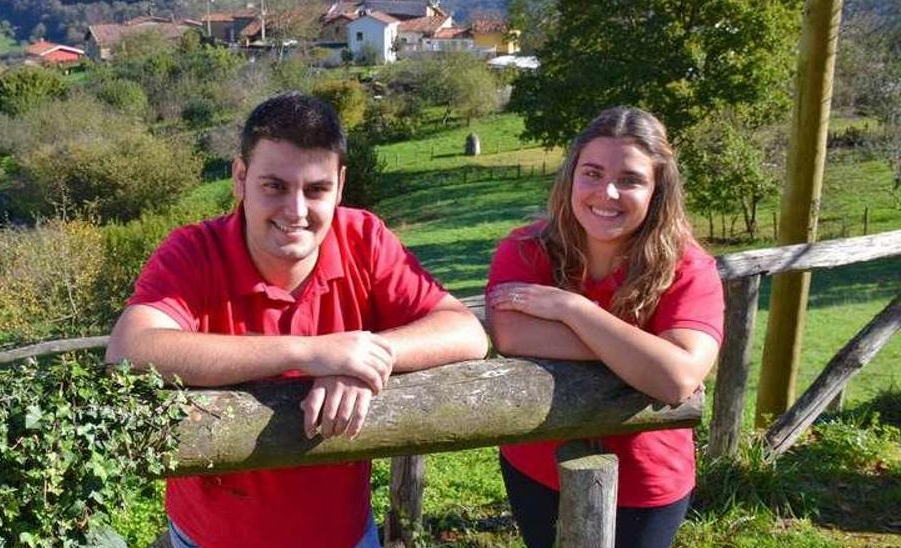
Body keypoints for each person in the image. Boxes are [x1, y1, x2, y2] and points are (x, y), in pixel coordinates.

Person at [106, 92, 488, 548]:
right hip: (210, 538)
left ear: (340, 186)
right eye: (275, 186)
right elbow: (130, 349)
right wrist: (311, 353)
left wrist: (362, 358)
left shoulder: (363, 237)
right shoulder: (194, 250)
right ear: (240, 178)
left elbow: (466, 330)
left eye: (316, 189)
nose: (297, 211)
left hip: (343, 536)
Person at [484, 107, 723, 548]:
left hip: (645, 482)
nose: (607, 192)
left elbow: (676, 379)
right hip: (536, 463)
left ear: (657, 189)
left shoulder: (688, 268)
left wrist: (574, 309)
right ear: (571, 176)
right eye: (592, 173)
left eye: (630, 179)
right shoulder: (526, 248)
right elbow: (511, 334)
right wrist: (641, 351)